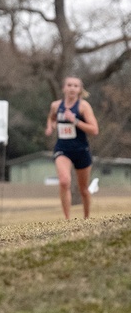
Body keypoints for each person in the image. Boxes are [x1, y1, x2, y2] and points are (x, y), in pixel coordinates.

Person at [44, 75, 99, 219]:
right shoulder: (56, 105)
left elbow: (94, 130)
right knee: (64, 181)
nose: (72, 88)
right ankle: (67, 221)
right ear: (64, 88)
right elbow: (51, 117)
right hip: (63, 149)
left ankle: (86, 218)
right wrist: (50, 127)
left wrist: (74, 120)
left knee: (83, 189)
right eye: (69, 85)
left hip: (81, 150)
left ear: (80, 90)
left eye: (75, 86)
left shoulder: (83, 106)